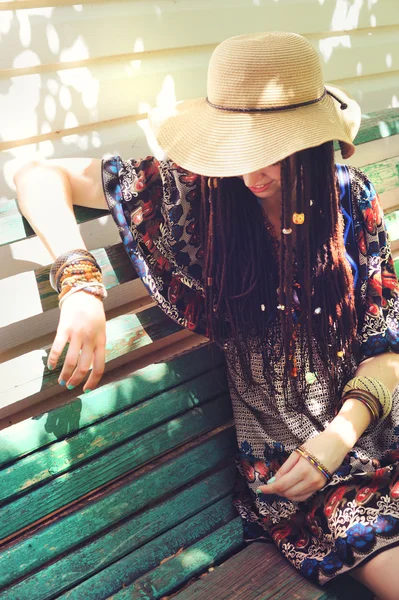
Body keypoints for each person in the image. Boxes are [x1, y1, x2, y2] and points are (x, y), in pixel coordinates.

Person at [13, 32, 399, 599]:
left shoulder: (351, 201)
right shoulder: (194, 198)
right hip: (296, 472)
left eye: (274, 147)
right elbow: (37, 175)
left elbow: (386, 349)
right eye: (238, 146)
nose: (252, 173)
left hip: (367, 430)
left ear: (314, 142)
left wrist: (339, 438)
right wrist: (79, 282)